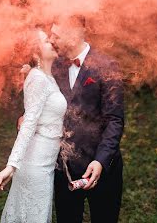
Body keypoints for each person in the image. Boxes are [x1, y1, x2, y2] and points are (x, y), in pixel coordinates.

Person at [50, 15, 124, 223]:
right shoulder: (55, 66)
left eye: (56, 35)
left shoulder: (106, 65)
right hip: (64, 168)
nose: (52, 40)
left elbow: (114, 120)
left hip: (102, 166)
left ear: (74, 34)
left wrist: (100, 161)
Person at [0, 29, 67, 223]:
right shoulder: (38, 78)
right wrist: (11, 166)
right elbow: (29, 124)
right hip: (35, 164)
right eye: (46, 40)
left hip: (46, 163)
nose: (52, 41)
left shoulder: (47, 77)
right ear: (35, 52)